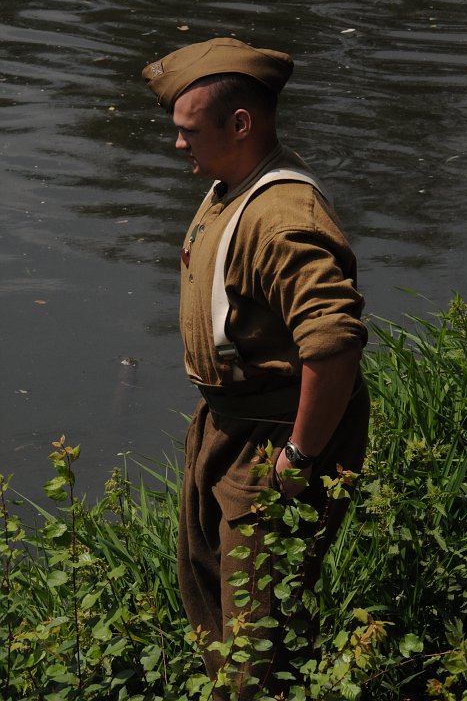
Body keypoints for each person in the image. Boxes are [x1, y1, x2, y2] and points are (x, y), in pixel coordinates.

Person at [142, 37, 370, 699]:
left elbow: (333, 343)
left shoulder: (279, 218)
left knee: (254, 633)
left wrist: (298, 455)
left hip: (275, 432)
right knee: (209, 594)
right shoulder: (230, 183)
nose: (177, 145)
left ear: (239, 124)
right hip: (229, 422)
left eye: (188, 132)